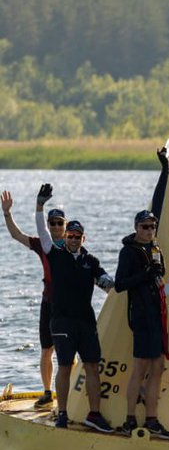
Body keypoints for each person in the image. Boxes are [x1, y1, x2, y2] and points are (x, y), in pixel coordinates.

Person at [34, 184, 115, 432]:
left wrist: (130, 283)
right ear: (64, 237)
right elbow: (42, 231)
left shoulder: (91, 262)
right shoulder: (54, 254)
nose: (73, 239)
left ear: (83, 238)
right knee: (66, 366)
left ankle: (94, 414)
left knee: (92, 366)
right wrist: (40, 206)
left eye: (77, 236)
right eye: (70, 236)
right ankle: (63, 413)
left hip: (85, 321)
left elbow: (108, 284)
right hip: (61, 321)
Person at [114, 147, 169, 439]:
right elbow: (120, 284)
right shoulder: (129, 251)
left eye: (152, 226)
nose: (150, 230)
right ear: (136, 228)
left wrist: (166, 170)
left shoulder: (155, 248)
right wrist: (145, 276)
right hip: (140, 316)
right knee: (140, 367)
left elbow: (160, 204)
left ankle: (151, 418)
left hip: (157, 316)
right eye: (144, 226)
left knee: (159, 366)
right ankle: (129, 419)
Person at [2, 190, 66, 407]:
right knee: (46, 350)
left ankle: (68, 392)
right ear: (47, 225)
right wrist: (7, 213)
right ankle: (48, 392)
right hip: (48, 303)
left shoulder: (73, 245)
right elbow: (16, 236)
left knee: (68, 351)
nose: (56, 227)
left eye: (60, 223)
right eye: (52, 223)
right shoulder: (42, 244)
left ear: (65, 226)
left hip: (68, 306)